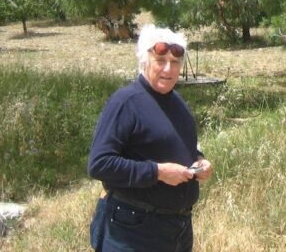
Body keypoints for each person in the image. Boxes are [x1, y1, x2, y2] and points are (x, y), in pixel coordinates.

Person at [88, 25, 213, 252]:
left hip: (177, 229)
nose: (168, 68)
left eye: (175, 63)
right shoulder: (126, 102)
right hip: (132, 230)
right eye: (160, 60)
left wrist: (199, 160)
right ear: (144, 61)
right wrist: (158, 173)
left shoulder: (177, 103)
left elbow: (184, 145)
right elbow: (99, 164)